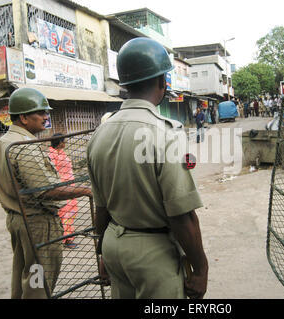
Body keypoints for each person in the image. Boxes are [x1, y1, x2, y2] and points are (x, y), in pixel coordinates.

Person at [87, 37, 208, 299]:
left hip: (114, 246)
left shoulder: (99, 134)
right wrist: (201, 269)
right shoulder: (165, 133)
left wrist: (103, 254)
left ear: (126, 84)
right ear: (162, 81)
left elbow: (101, 209)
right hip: (152, 255)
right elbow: (182, 215)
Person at [0, 87, 91, 299]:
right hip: (37, 223)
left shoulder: (3, 142)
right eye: (41, 113)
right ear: (24, 118)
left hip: (19, 220)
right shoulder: (24, 146)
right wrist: (86, 190)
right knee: (39, 281)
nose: (46, 117)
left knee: (25, 276)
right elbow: (46, 191)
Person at [49, 133, 78, 249]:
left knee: (71, 212)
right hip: (62, 187)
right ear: (59, 142)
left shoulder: (61, 152)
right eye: (63, 141)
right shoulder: (51, 154)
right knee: (65, 214)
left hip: (70, 187)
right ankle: (67, 239)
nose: (65, 143)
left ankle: (66, 237)